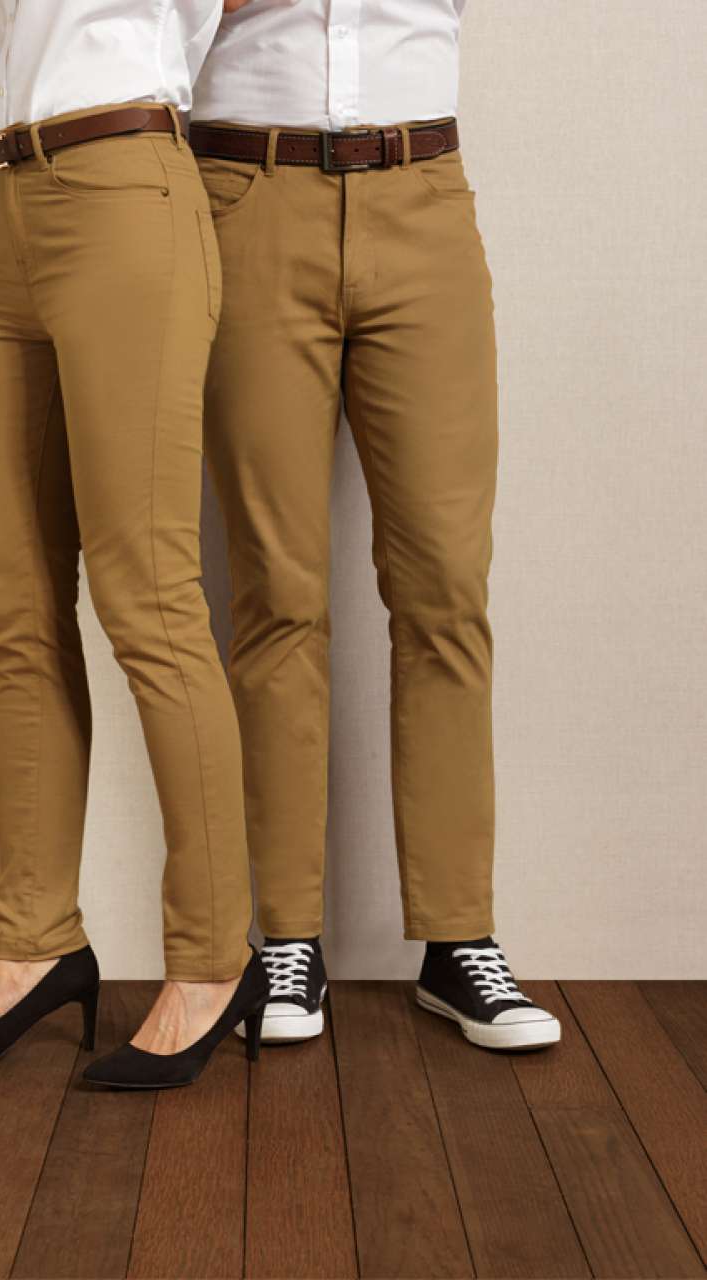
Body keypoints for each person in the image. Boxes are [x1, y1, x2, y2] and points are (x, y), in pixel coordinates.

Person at [0, 1, 270, 1090]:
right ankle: (36, 943)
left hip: (123, 183)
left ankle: (213, 960)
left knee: (148, 596)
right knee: (14, 605)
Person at [191, 0, 561, 1051]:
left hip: (422, 192)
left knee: (446, 585)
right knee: (277, 591)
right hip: (245, 191)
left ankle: (459, 940)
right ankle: (285, 940)